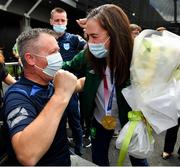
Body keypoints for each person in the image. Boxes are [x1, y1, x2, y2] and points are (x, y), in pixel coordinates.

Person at [63, 4, 148, 166]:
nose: (90, 42)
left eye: (94, 36)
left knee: (138, 159)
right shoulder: (88, 55)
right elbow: (66, 67)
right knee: (99, 158)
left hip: (129, 121)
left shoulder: (138, 57)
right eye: (88, 36)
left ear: (115, 34)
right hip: (99, 120)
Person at [2, 28, 84, 166]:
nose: (59, 57)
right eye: (53, 52)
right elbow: (27, 154)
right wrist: (60, 96)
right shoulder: (17, 96)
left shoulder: (51, 84)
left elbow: (79, 84)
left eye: (58, 50)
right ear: (30, 58)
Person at [50, 7, 86, 155]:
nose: (60, 23)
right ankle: (61, 149)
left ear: (66, 21)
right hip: (50, 87)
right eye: (57, 20)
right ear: (51, 21)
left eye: (62, 20)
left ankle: (79, 150)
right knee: (55, 121)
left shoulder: (74, 38)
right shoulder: (46, 39)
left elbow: (89, 49)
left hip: (70, 88)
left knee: (74, 120)